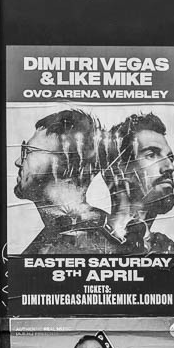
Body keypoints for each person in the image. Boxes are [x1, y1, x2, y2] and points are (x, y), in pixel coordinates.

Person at [14, 109, 121, 255]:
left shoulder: (78, 242)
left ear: (65, 165)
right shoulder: (73, 231)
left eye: (28, 151)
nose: (18, 162)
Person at [104, 112, 174, 254]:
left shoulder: (166, 249)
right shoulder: (90, 240)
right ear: (120, 169)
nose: (170, 167)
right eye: (151, 155)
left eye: (170, 158)